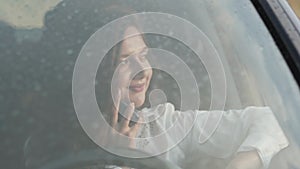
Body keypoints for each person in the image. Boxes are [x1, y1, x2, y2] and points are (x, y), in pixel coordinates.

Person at [35, 1, 289, 169]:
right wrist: (121, 157)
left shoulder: (159, 124)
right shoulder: (44, 146)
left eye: (144, 56)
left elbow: (272, 123)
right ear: (92, 71)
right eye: (124, 60)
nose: (143, 71)